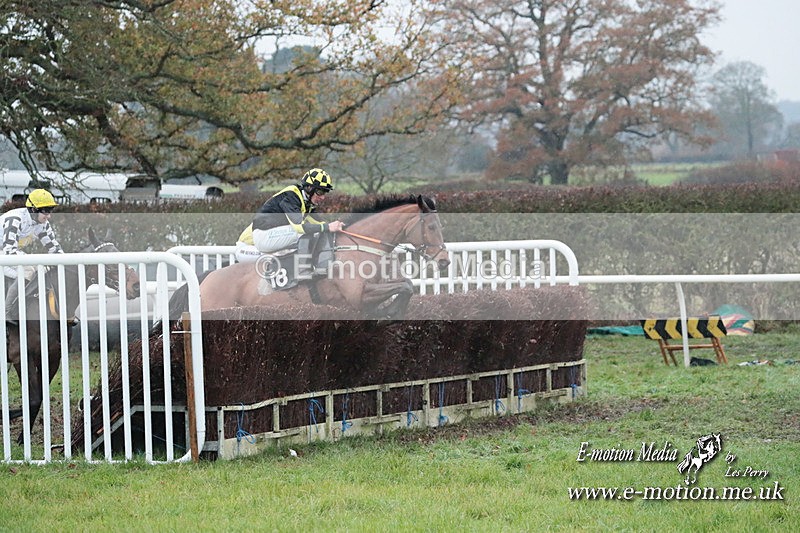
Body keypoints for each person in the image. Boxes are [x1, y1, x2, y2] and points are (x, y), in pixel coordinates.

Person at [235, 169, 344, 274]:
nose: (323, 197)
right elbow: (300, 228)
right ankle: (304, 271)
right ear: (309, 188)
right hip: (249, 248)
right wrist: (327, 227)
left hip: (266, 242)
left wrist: (339, 226)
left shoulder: (307, 204)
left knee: (315, 231)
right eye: (320, 192)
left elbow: (322, 224)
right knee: (304, 231)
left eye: (325, 192)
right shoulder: (291, 196)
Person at [2, 189, 64, 323]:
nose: (49, 216)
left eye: (50, 211)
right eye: (46, 211)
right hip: (5, 253)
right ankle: (6, 311)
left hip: (7, 252)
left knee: (44, 269)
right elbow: (9, 252)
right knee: (29, 269)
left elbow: (54, 248)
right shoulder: (14, 219)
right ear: (34, 210)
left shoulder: (42, 224)